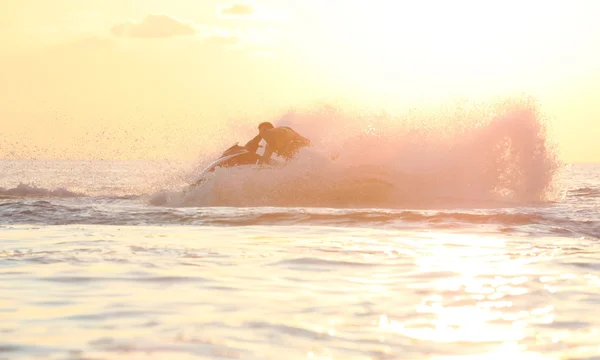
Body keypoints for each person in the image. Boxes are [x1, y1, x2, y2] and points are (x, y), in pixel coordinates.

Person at [246, 122, 311, 163]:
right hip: (300, 160)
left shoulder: (279, 131)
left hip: (307, 150)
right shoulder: (269, 145)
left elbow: (282, 133)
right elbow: (264, 159)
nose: (262, 137)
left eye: (262, 132)